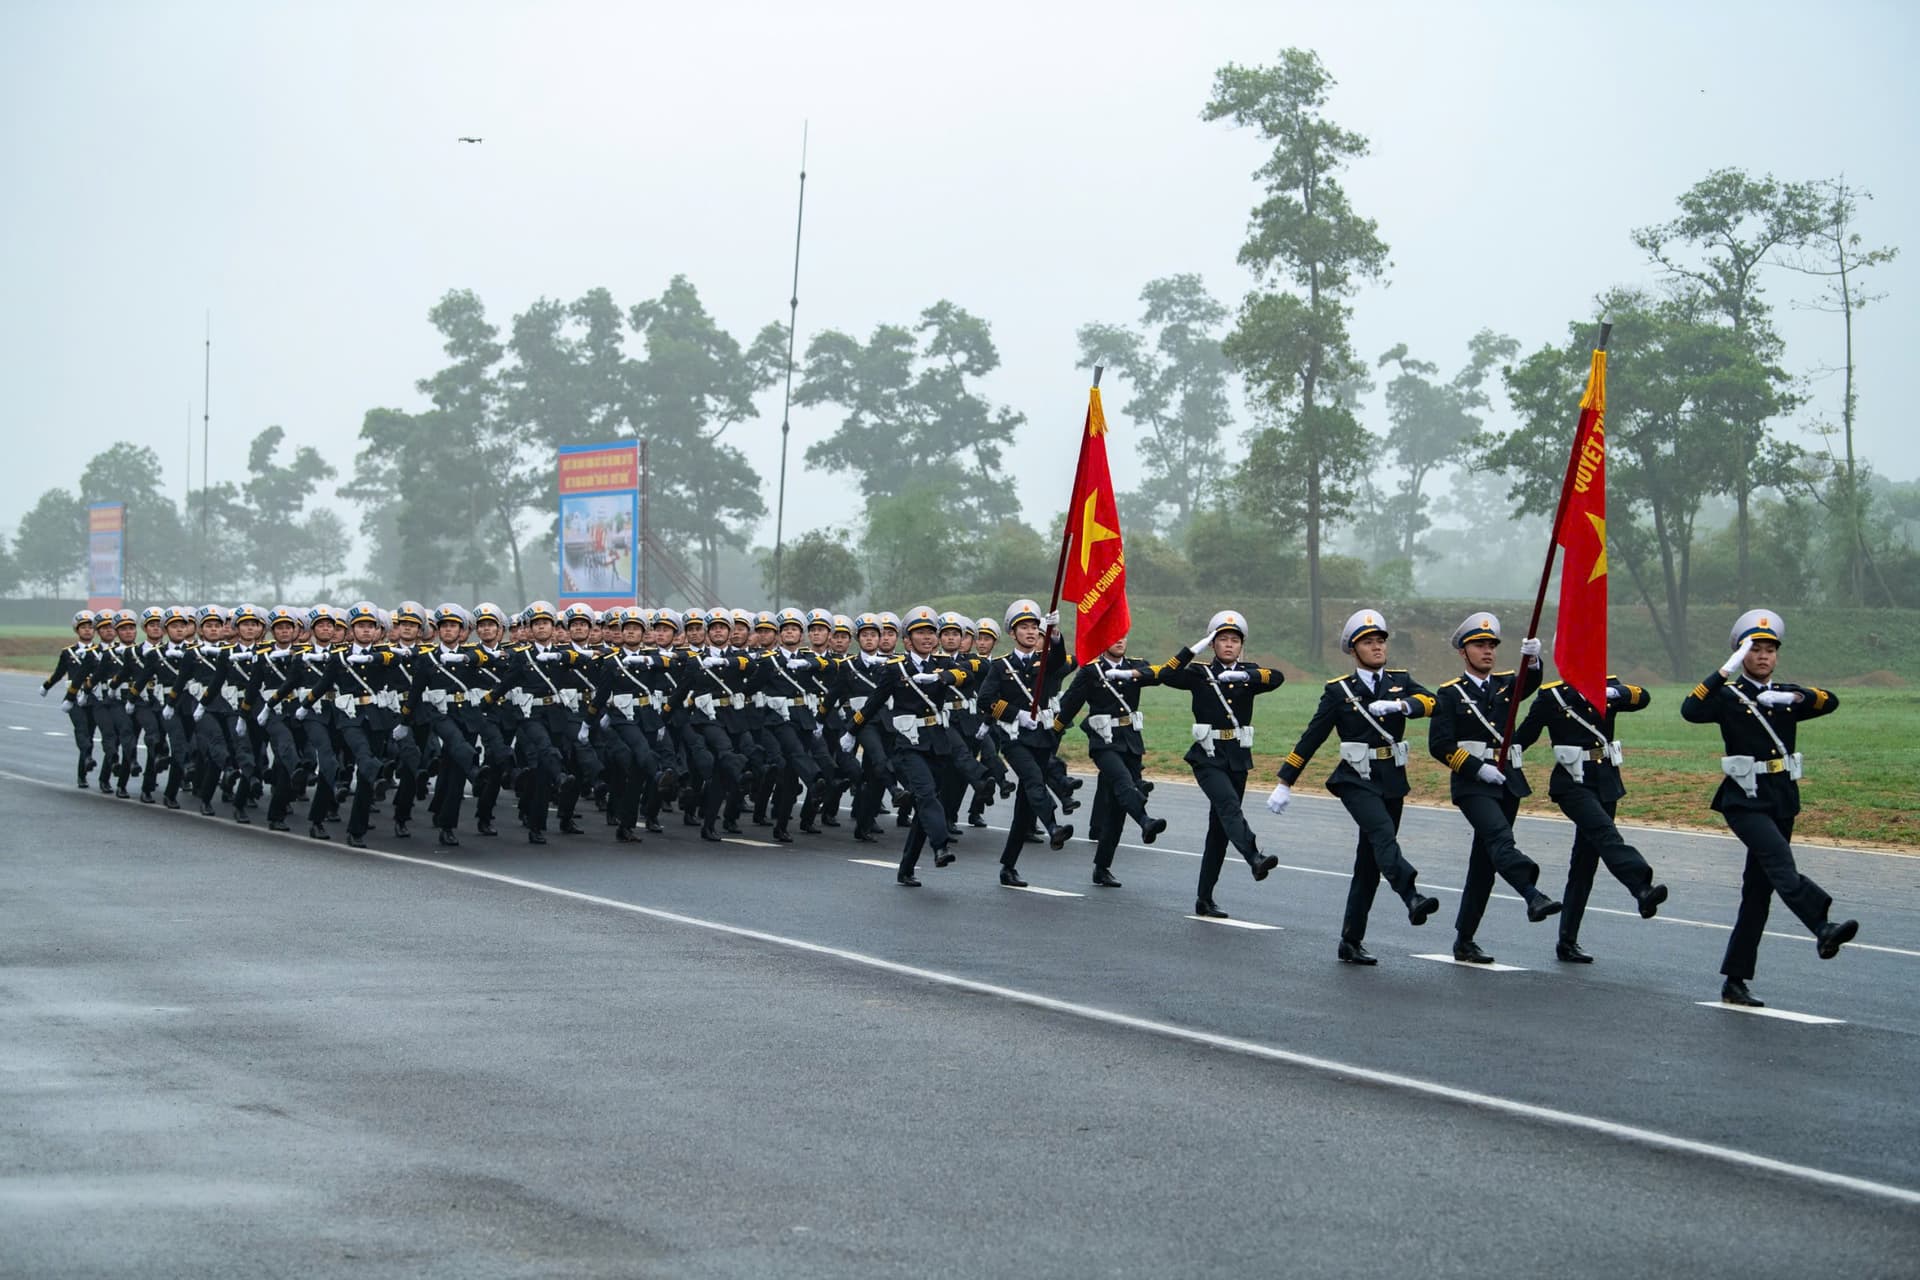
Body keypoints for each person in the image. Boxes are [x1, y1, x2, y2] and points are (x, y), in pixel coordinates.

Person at [1680, 609, 1857, 1007]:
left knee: (1758, 891)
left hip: (1780, 798)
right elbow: (1690, 711)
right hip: (1744, 799)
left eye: (1769, 650)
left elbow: (1831, 701)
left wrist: (1795, 697)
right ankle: (1822, 924)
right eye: (1755, 649)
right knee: (1780, 863)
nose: (1763, 656)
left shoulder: (1787, 695)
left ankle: (1735, 981)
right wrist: (1720, 673)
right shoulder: (1727, 697)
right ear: (1741, 654)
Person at [1268, 610, 1441, 964]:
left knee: (1369, 863)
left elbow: (1434, 702)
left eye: (1380, 641)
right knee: (1382, 836)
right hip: (1355, 780)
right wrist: (1286, 781)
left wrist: (1401, 704)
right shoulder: (1339, 691)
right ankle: (1411, 895)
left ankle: (1350, 940)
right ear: (1353, 649)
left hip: (1392, 779)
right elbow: (1312, 737)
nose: (1376, 647)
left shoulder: (1400, 680)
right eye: (1368, 642)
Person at [1427, 612, 1562, 963]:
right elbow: (1439, 745)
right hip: (1473, 785)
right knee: (1501, 839)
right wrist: (1476, 769)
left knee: (1485, 862)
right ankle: (1532, 895)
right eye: (1479, 645)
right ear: (1464, 651)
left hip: (1508, 782)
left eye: (1491, 645)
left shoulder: (1505, 685)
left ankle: (1464, 940)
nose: (1487, 651)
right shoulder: (1450, 694)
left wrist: (1533, 658)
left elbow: (1530, 683)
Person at [1514, 670, 1668, 962]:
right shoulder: (1552, 696)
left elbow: (1643, 697)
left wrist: (1615, 693)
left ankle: (1567, 941)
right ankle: (1641, 886)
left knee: (1585, 863)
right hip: (1572, 783)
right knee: (1605, 834)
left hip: (1606, 780)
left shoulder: (1606, 686)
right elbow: (1524, 737)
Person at [1159, 610, 1283, 919]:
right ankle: (1254, 856)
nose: (1229, 645)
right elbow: (1166, 675)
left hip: (1237, 757)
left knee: (1220, 830)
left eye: (1234, 640)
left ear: (1242, 645)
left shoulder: (1249, 674)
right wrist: (1192, 649)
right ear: (1213, 645)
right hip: (1207, 755)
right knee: (1229, 807)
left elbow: (1276, 677)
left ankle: (1204, 898)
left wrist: (1245, 676)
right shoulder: (1199, 673)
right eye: (1222, 640)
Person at [843, 604, 964, 886]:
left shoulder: (943, 665)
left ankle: (906, 867)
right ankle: (941, 846)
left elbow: (967, 673)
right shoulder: (895, 668)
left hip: (938, 744)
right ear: (907, 640)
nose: (926, 638)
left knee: (927, 803)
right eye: (919, 633)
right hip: (908, 745)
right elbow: (874, 703)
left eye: (930, 633)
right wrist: (851, 730)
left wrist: (941, 677)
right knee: (925, 795)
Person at [1052, 635, 1171, 887]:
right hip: (1103, 743)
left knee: (1117, 809)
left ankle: (1102, 867)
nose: (1119, 641)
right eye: (1114, 636)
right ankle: (1145, 820)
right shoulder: (1091, 671)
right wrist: (1050, 734)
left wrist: (1135, 675)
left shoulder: (1137, 665)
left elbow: (1161, 675)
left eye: (1123, 636)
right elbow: (1070, 705)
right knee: (1124, 782)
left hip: (1130, 741)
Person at [976, 599, 1077, 887]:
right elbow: (985, 701)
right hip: (1014, 738)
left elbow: (1060, 661)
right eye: (1024, 627)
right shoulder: (1000, 666)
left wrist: (1056, 635)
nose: (1031, 632)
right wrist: (1016, 714)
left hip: (1042, 737)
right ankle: (1053, 826)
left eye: (1035, 627)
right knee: (1034, 779)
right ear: (1012, 632)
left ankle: (1008, 866)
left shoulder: (1045, 660)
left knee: (1024, 808)